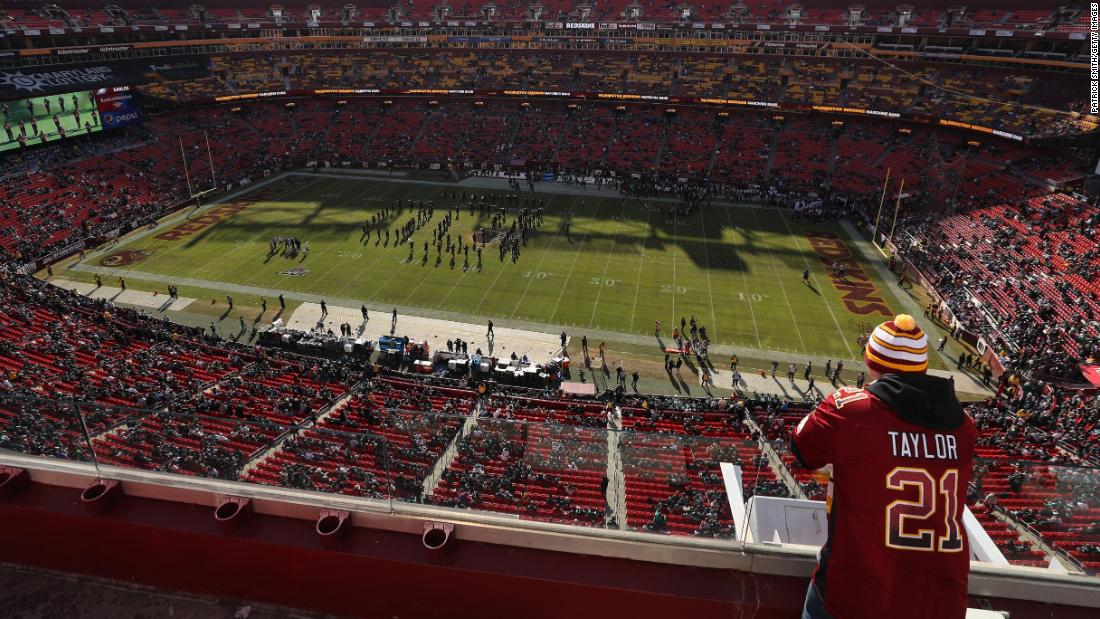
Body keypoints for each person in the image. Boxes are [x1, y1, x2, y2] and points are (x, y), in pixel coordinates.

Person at [791, 314, 976, 619]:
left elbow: (801, 447)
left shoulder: (852, 410)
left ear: (871, 361)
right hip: (940, 603)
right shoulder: (964, 427)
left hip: (858, 597)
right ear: (923, 366)